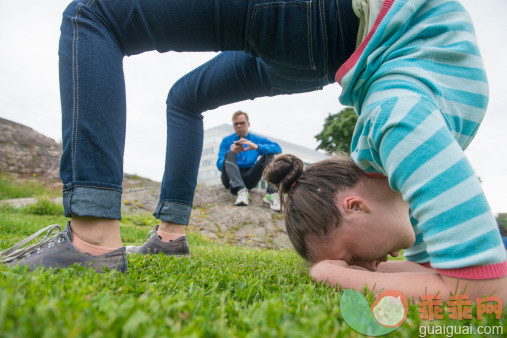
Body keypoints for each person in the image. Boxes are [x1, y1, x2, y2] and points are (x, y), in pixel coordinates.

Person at [0, 0, 359, 270]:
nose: (239, 130)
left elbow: (275, 152)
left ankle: (91, 238)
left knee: (92, 14)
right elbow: (221, 161)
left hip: (315, 12)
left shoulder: (259, 140)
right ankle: (170, 237)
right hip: (330, 55)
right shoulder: (227, 144)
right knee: (184, 99)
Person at [261, 0, 507, 302]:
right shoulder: (397, 188)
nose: (369, 267)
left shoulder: (398, 128)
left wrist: (336, 276)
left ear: (355, 206)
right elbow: (426, 270)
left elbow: (486, 292)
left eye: (352, 257)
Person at [217, 111, 281, 210]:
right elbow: (219, 166)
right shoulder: (226, 141)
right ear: (233, 126)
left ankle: (271, 194)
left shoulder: (255, 139)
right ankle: (241, 191)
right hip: (231, 179)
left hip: (250, 177)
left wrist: (257, 147)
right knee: (229, 153)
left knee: (269, 154)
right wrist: (233, 153)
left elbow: (277, 148)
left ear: (248, 124)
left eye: (242, 123)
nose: (239, 126)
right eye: (236, 124)